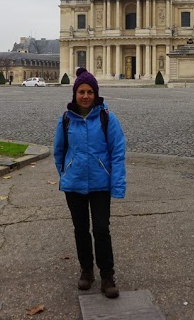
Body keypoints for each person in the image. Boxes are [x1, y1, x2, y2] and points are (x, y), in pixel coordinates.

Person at [53, 67, 126, 299]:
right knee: (81, 230)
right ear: (75, 94)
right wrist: (66, 173)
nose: (85, 96)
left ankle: (107, 275)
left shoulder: (107, 118)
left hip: (100, 183)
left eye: (90, 92)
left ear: (96, 94)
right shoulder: (66, 119)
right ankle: (86, 270)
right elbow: (58, 151)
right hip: (74, 184)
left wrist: (117, 184)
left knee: (102, 229)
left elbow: (118, 153)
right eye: (81, 92)